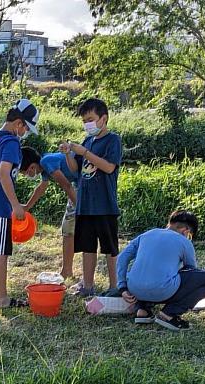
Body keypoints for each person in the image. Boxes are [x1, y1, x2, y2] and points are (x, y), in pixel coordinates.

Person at [0, 99, 42, 308]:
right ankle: (2, 298)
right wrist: (15, 205)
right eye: (26, 128)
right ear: (19, 123)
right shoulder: (12, 142)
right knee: (2, 252)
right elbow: (4, 173)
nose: (25, 133)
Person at [60, 98, 122, 297]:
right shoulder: (87, 141)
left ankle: (115, 287)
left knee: (110, 248)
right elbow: (75, 169)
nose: (87, 124)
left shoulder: (113, 140)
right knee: (87, 247)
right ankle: (88, 285)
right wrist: (69, 154)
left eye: (90, 119)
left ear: (103, 119)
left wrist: (84, 152)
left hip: (104, 205)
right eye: (84, 120)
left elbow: (109, 167)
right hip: (85, 205)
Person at [116, 211, 205, 331]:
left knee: (146, 274)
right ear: (186, 231)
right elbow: (192, 271)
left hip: (134, 290)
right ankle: (169, 314)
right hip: (163, 291)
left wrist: (122, 287)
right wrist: (201, 290)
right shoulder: (184, 242)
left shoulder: (147, 234)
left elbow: (122, 257)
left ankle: (142, 310)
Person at [24, 151, 79, 280]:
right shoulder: (44, 166)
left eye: (25, 172)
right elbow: (41, 188)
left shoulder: (46, 162)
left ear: (32, 167)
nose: (26, 175)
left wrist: (79, 207)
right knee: (68, 231)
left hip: (82, 184)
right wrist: (26, 207)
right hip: (78, 184)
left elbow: (66, 185)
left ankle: (66, 271)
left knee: (68, 230)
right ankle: (67, 270)